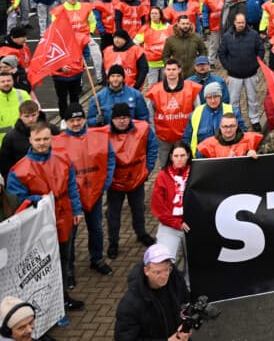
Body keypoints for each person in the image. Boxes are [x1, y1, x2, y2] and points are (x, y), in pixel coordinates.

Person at [7, 121, 85, 313]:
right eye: (38, 139)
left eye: (46, 139)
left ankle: (63, 296)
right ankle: (46, 303)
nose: (42, 143)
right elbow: (15, 199)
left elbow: (72, 187)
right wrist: (38, 199)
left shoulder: (63, 159)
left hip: (64, 216)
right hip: (39, 224)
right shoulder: (19, 169)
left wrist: (76, 210)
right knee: (44, 264)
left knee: (64, 258)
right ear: (30, 140)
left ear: (51, 139)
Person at [53, 104, 115, 284]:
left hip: (94, 192)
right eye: (72, 120)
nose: (76, 123)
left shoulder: (99, 136)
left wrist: (106, 181)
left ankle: (97, 258)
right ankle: (69, 269)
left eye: (79, 119)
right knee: (70, 234)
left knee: (96, 228)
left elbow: (109, 158)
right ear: (66, 122)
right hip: (71, 197)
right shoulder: (58, 142)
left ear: (84, 119)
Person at [114, 244, 200, 341]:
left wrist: (186, 324)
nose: (164, 276)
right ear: (146, 271)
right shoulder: (129, 305)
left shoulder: (175, 279)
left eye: (167, 269)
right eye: (157, 272)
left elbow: (185, 303)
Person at [101, 103, 158, 257]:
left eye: (125, 117)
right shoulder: (103, 134)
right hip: (115, 183)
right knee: (113, 214)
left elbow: (152, 148)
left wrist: (148, 169)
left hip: (137, 179)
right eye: (118, 118)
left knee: (138, 209)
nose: (122, 121)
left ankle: (141, 233)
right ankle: (113, 242)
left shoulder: (143, 129)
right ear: (112, 119)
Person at [144, 59, 203, 169]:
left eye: (174, 69)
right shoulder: (155, 90)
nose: (171, 72)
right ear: (165, 71)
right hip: (164, 138)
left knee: (187, 166)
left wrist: (195, 130)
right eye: (168, 69)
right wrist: (153, 131)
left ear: (179, 70)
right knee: (165, 166)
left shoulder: (191, 88)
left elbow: (198, 111)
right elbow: (150, 113)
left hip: (186, 136)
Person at [217, 12, 266, 131]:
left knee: (253, 99)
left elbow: (261, 50)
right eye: (238, 22)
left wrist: (255, 65)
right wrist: (228, 67)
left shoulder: (254, 35)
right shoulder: (227, 36)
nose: (241, 25)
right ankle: (235, 121)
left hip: (251, 73)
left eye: (242, 22)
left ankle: (254, 120)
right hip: (234, 75)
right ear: (234, 22)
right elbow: (222, 53)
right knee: (233, 100)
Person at [151, 143, 191, 260]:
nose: (179, 159)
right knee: (164, 259)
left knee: (195, 264)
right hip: (170, 225)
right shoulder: (163, 176)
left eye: (182, 155)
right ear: (170, 157)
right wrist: (176, 223)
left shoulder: (197, 172)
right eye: (176, 156)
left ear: (188, 155)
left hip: (192, 225)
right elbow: (158, 206)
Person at [181, 83, 245, 156]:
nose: (213, 100)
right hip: (203, 159)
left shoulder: (233, 111)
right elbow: (187, 139)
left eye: (215, 97)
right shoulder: (196, 114)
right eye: (209, 97)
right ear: (205, 98)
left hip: (227, 156)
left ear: (221, 96)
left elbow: (243, 134)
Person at [0, 71, 35, 150]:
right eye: (3, 81)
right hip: (3, 145)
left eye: (9, 81)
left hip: (26, 141)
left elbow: (34, 117)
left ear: (13, 82)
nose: (6, 83)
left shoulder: (23, 95)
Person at [197, 112, 264, 158]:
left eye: (232, 126)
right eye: (225, 126)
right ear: (220, 126)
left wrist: (255, 154)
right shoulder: (208, 145)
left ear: (237, 126)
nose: (228, 130)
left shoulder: (251, 139)